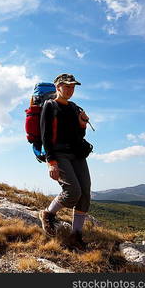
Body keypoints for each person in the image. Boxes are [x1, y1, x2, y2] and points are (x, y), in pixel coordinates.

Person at [38, 73, 91, 250]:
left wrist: (82, 124)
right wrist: (51, 162)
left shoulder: (74, 107)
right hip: (59, 154)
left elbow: (79, 135)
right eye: (67, 86)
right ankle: (48, 213)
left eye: (73, 87)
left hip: (77, 154)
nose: (70, 90)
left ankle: (76, 235)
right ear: (58, 87)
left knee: (85, 195)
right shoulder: (49, 105)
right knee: (72, 191)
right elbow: (45, 136)